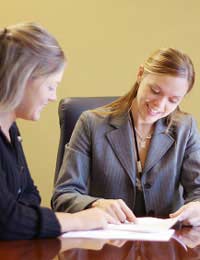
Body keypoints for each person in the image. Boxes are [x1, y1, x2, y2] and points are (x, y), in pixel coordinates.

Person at [52, 47, 200, 226]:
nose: (160, 104)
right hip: (106, 245)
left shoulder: (186, 128)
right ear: (140, 75)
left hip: (165, 248)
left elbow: (197, 191)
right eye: (155, 90)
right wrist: (95, 204)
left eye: (173, 100)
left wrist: (196, 207)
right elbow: (63, 196)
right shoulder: (91, 123)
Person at [0, 22, 117, 240]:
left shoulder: (11, 129)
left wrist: (26, 218)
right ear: (23, 79)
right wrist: (78, 220)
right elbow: (7, 220)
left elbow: (29, 197)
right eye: (51, 86)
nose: (53, 97)